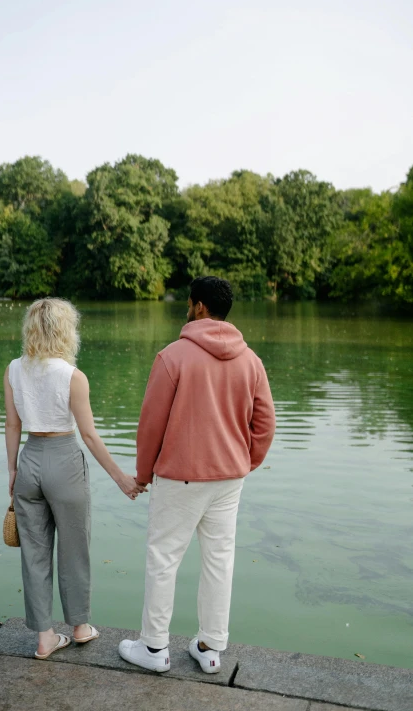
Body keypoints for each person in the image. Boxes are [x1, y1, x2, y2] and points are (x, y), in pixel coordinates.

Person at [119, 276, 276, 674]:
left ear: (200, 307)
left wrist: (143, 473)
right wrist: (244, 462)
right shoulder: (251, 361)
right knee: (219, 559)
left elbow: (151, 424)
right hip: (229, 478)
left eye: (189, 303)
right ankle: (209, 648)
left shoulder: (173, 357)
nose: (187, 308)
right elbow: (266, 424)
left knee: (163, 559)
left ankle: (154, 649)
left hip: (181, 478)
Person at [4, 297, 145, 660]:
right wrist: (121, 479)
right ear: (67, 331)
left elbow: (12, 424)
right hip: (64, 461)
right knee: (74, 549)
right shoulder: (73, 376)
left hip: (29, 460)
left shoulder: (13, 370)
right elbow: (90, 436)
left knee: (34, 554)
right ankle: (80, 627)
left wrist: (13, 471)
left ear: (31, 329)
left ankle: (45, 637)